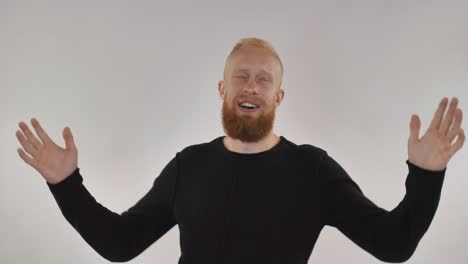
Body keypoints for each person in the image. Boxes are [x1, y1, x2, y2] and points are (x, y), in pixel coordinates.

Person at [15, 37, 465, 264]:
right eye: (241, 77)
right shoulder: (188, 166)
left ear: (279, 97)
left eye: (264, 79)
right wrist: (65, 185)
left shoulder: (312, 169)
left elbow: (394, 244)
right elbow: (120, 244)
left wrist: (425, 178)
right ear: (222, 89)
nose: (251, 86)